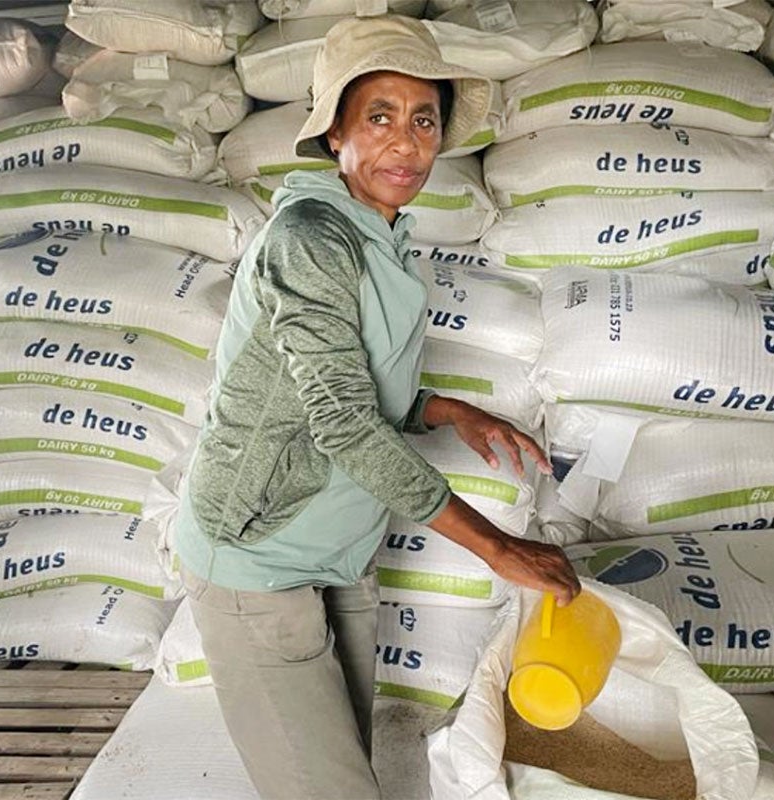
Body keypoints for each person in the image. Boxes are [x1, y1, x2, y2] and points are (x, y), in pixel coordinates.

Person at [174, 14, 581, 800]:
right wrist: (496, 549)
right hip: (259, 556)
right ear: (335, 136)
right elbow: (341, 419)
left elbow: (345, 379)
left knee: (345, 768)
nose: (406, 142)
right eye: (380, 118)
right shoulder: (310, 239)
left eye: (422, 120)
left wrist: (448, 410)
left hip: (337, 553)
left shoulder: (382, 235)